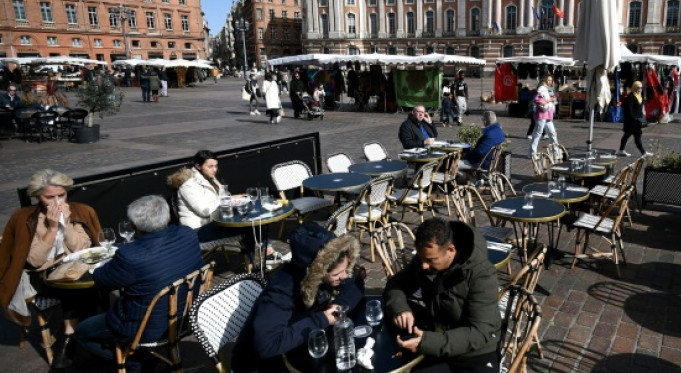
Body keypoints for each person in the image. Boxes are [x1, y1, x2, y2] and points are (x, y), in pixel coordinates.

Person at [73, 196, 203, 373]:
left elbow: (102, 280)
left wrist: (96, 268)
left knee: (82, 332)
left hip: (146, 328)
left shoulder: (130, 256)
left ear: (134, 225)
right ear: (167, 217)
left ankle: (137, 364)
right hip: (186, 317)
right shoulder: (187, 234)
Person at [0, 170, 102, 367]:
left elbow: (83, 247)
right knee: (75, 289)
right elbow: (35, 261)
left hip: (73, 266)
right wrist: (53, 228)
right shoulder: (25, 218)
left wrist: (67, 225)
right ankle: (71, 337)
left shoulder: (78, 211)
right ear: (38, 196)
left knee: (96, 281)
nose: (57, 202)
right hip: (40, 274)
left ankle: (83, 336)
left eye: (61, 195)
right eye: (50, 197)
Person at [232, 223, 362, 373]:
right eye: (337, 274)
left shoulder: (322, 273)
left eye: (345, 269)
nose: (344, 276)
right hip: (259, 365)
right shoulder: (281, 291)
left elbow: (355, 284)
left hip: (299, 348)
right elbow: (266, 346)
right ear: (317, 271)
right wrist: (322, 319)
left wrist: (339, 305)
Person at [385, 218, 501, 373]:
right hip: (436, 335)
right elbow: (396, 284)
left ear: (451, 250)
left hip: (474, 351)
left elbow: (480, 332)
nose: (424, 265)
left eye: (431, 260)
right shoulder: (426, 257)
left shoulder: (482, 275)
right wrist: (400, 309)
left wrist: (427, 343)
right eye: (421, 258)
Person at [169, 150, 280, 266]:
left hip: (215, 221)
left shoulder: (209, 178)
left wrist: (236, 199)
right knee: (248, 225)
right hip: (197, 230)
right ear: (198, 166)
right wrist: (228, 199)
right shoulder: (188, 185)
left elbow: (223, 198)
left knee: (253, 218)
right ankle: (258, 262)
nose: (214, 169)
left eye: (216, 166)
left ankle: (263, 256)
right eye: (210, 166)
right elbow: (204, 210)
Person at [529, 73, 559, 156]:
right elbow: (539, 102)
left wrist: (554, 98)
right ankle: (532, 152)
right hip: (542, 115)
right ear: (545, 80)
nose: (550, 82)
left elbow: (552, 100)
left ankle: (555, 152)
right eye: (548, 80)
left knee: (553, 133)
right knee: (538, 133)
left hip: (548, 114)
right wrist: (550, 100)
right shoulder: (541, 89)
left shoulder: (550, 89)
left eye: (551, 80)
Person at [617, 82, 648, 157]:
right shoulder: (631, 97)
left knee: (626, 135)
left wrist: (642, 117)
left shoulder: (640, 96)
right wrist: (634, 119)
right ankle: (643, 153)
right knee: (637, 135)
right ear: (634, 88)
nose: (640, 89)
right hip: (632, 121)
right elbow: (629, 110)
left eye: (641, 87)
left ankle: (621, 150)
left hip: (637, 120)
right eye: (638, 87)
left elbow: (639, 109)